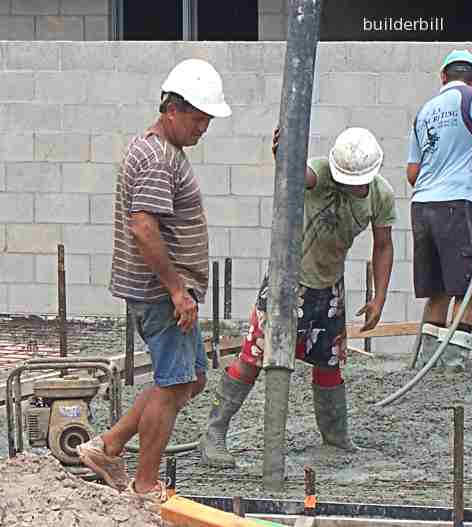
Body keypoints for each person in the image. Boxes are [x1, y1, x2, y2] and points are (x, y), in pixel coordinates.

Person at [77, 59, 231, 502]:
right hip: (162, 294)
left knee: (190, 379)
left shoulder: (160, 151)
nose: (204, 128)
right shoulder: (158, 157)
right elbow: (143, 227)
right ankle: (144, 484)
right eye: (199, 119)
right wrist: (177, 290)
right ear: (172, 110)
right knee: (172, 384)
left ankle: (109, 445)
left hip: (165, 292)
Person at [200, 126, 396, 468]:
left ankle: (335, 438)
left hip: (329, 286)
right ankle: (213, 434)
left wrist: (379, 297)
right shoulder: (320, 174)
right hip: (288, 281)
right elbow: (296, 173)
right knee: (254, 357)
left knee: (329, 362)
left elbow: (383, 245)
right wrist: (283, 152)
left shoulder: (380, 195)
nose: (351, 187)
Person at [406, 49, 472, 372]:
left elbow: (412, 172)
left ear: (443, 78)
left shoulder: (424, 111)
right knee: (466, 286)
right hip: (456, 203)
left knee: (436, 288)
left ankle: (427, 363)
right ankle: (453, 362)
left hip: (422, 206)